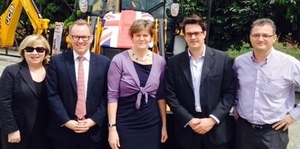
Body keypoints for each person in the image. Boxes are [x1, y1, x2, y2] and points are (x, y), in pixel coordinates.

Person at [165, 15, 236, 149]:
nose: (193, 37)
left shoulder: (222, 59)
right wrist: (189, 120)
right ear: (184, 36)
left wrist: (212, 120)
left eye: (197, 33)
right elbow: (170, 95)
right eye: (189, 34)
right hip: (187, 130)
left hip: (216, 129)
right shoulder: (174, 62)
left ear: (204, 34)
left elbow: (229, 93)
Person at [233, 18, 300, 149]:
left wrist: (294, 115)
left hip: (274, 132)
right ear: (250, 37)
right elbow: (234, 88)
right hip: (243, 129)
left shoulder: (289, 64)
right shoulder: (240, 62)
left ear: (274, 38)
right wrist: (235, 107)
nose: (260, 39)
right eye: (256, 35)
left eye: (266, 35)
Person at [46, 19, 111, 149]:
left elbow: (108, 95)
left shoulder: (105, 63)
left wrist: (93, 120)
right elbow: (52, 94)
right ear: (69, 38)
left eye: (84, 37)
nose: (80, 41)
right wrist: (67, 121)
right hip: (64, 132)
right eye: (76, 37)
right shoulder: (56, 62)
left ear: (91, 38)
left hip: (94, 132)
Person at [107, 19, 168, 149]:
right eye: (138, 35)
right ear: (132, 37)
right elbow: (112, 95)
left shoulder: (160, 62)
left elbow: (161, 96)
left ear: (151, 37)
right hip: (125, 123)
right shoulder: (119, 60)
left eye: (145, 35)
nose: (142, 39)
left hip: (151, 124)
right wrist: (112, 129)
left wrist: (164, 126)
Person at [0, 34, 52, 149]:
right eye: (29, 49)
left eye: (40, 49)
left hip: (45, 132)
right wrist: (11, 129)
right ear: (23, 52)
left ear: (46, 52)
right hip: (18, 132)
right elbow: (4, 103)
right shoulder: (11, 72)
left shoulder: (52, 71)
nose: (35, 53)